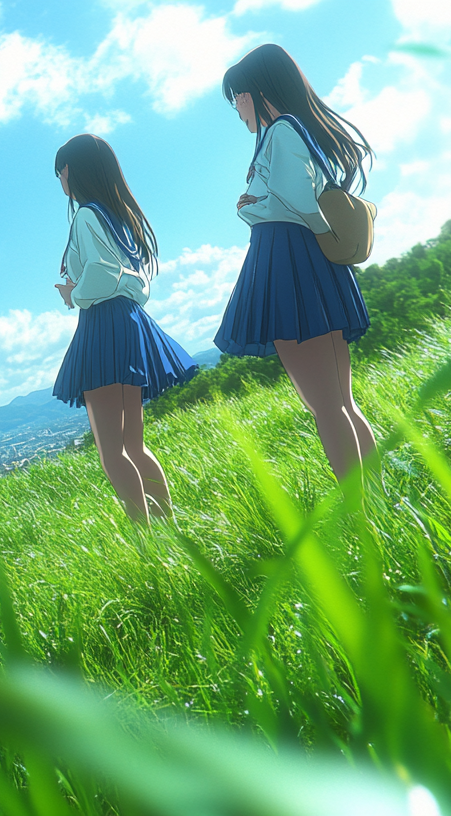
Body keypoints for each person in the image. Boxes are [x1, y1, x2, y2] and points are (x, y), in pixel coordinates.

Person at [213, 43, 378, 482]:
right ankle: (374, 496)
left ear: (255, 92)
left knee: (325, 406)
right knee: (338, 403)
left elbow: (297, 200)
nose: (237, 109)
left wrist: (253, 205)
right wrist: (260, 202)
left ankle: (361, 506)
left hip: (289, 261)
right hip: (302, 261)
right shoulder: (291, 130)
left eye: (239, 98)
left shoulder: (281, 131)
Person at [51, 134, 198, 524]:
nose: (61, 181)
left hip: (102, 328)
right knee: (134, 444)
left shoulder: (85, 215)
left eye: (61, 172)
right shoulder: (119, 215)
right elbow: (133, 280)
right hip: (131, 324)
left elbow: (100, 273)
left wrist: (74, 293)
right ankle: (169, 527)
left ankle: (146, 540)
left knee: (111, 451)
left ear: (73, 171)